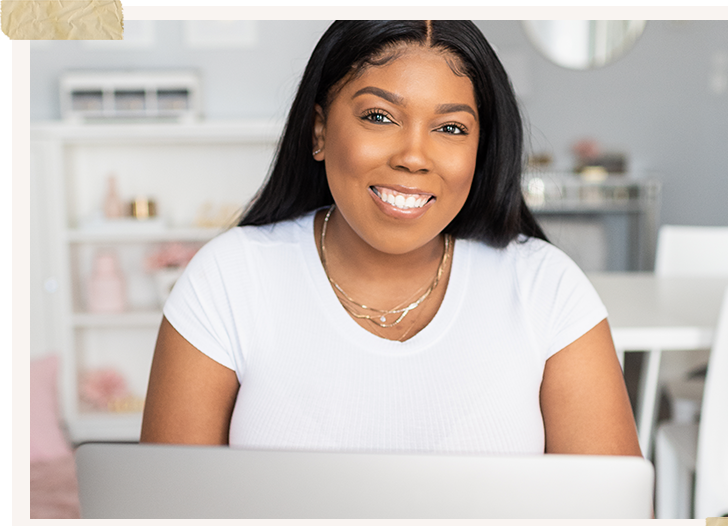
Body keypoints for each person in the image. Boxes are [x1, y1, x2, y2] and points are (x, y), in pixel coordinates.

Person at [140, 20, 641, 458]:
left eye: (450, 127)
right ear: (319, 131)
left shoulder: (546, 289)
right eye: (379, 117)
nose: (414, 156)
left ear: (480, 150)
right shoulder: (226, 280)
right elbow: (161, 523)